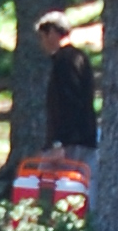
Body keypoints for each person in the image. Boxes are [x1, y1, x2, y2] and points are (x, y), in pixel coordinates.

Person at [36, 12, 96, 159]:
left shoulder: (65, 61)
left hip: (71, 144)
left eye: (42, 36)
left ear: (52, 33)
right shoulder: (79, 57)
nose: (41, 43)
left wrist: (58, 143)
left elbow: (68, 103)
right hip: (84, 139)